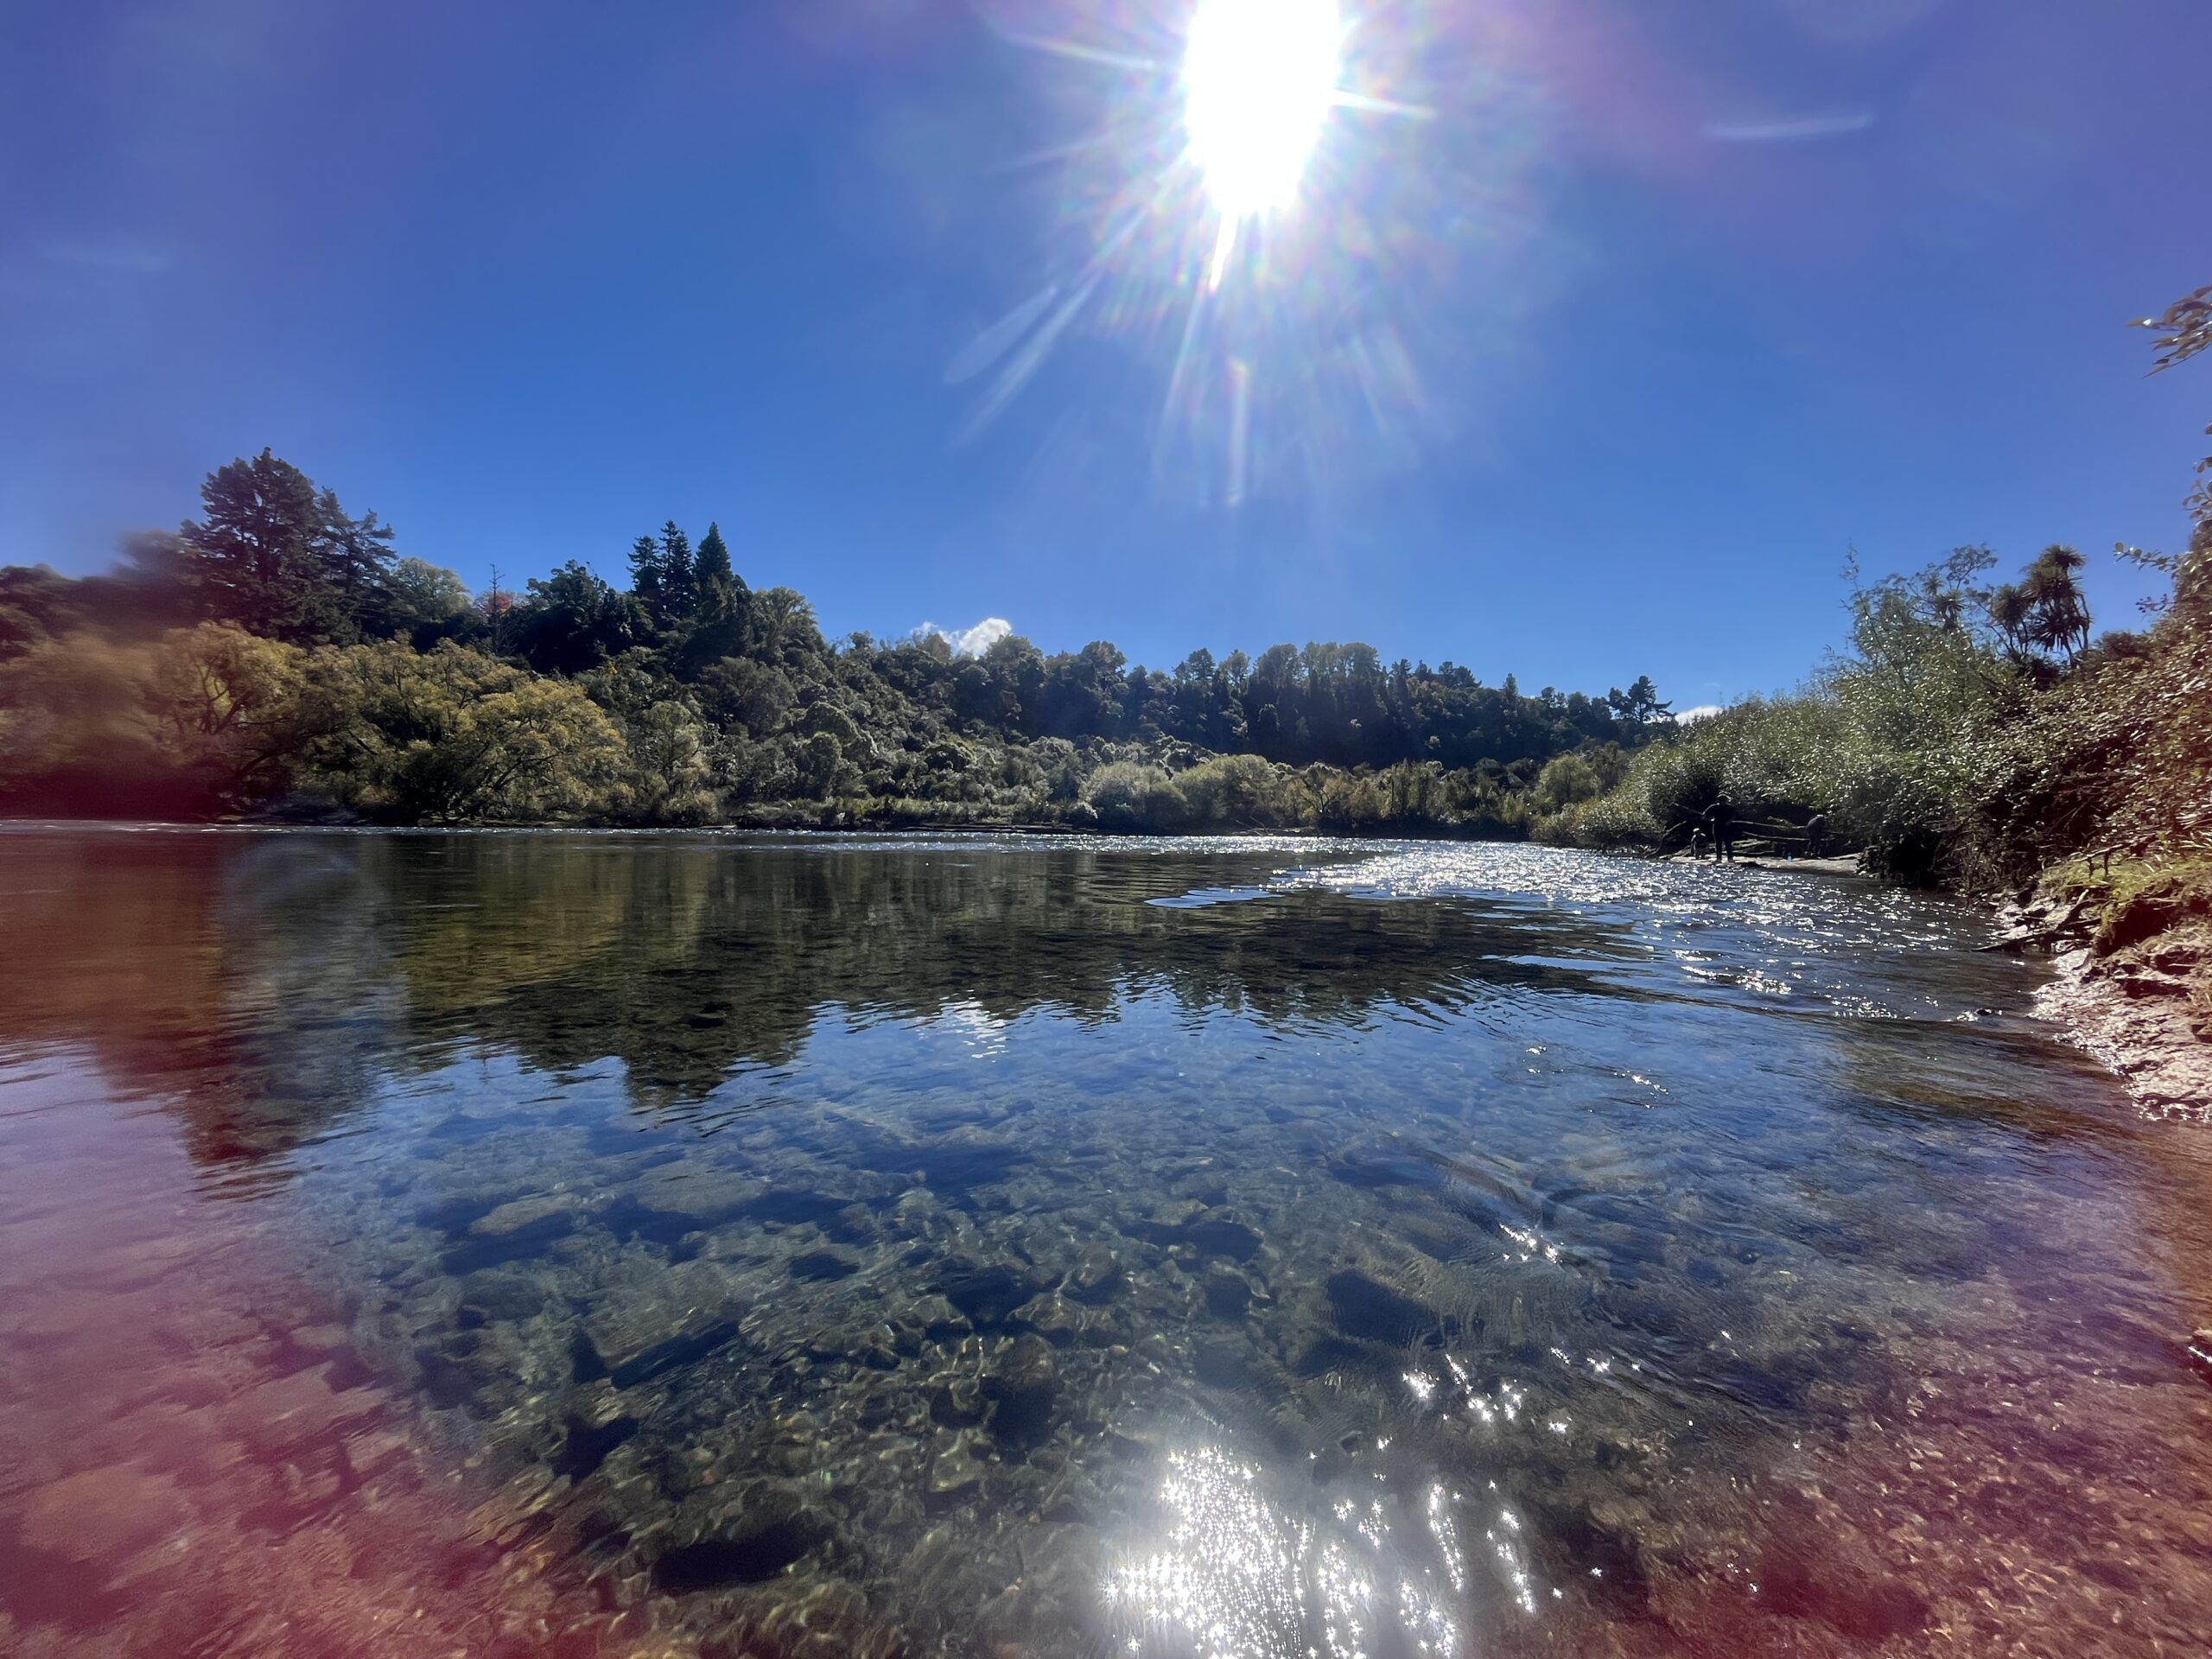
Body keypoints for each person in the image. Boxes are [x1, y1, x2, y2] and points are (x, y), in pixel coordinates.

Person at [1703, 797, 1736, 862]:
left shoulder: (1730, 807)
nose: (1723, 802)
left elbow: (1734, 816)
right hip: (1717, 826)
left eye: (1724, 800)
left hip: (1727, 827)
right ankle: (1719, 858)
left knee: (1728, 843)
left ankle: (1730, 858)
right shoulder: (1714, 807)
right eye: (1721, 801)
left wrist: (1729, 822)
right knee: (1718, 843)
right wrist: (1710, 820)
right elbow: (1705, 814)